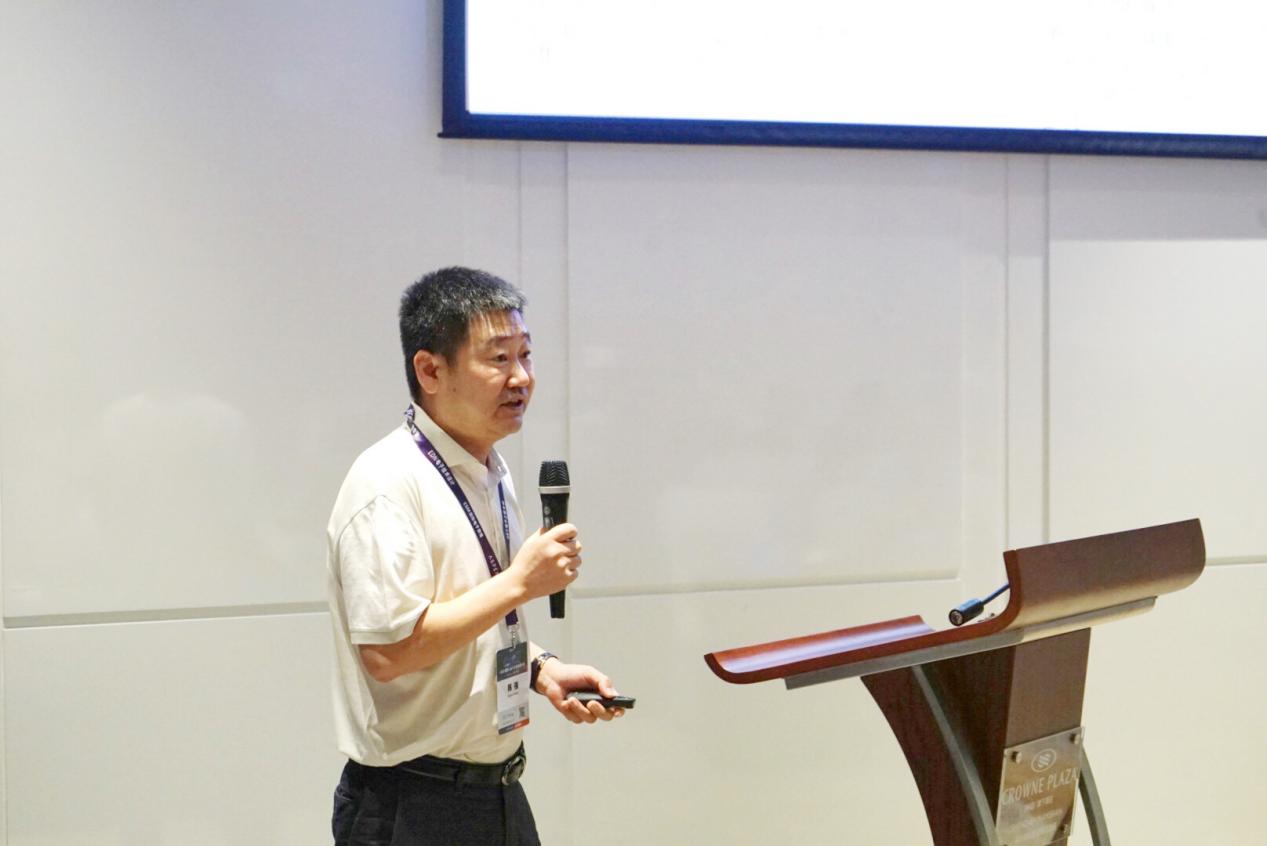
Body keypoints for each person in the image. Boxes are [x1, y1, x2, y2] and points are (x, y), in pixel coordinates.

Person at [327, 266, 624, 845]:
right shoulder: (387, 483)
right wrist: (520, 583)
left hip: (499, 791)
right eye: (498, 359)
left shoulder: (489, 470)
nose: (521, 378)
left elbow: (469, 615)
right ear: (430, 370)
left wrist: (540, 668)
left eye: (526, 355)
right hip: (412, 803)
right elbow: (389, 652)